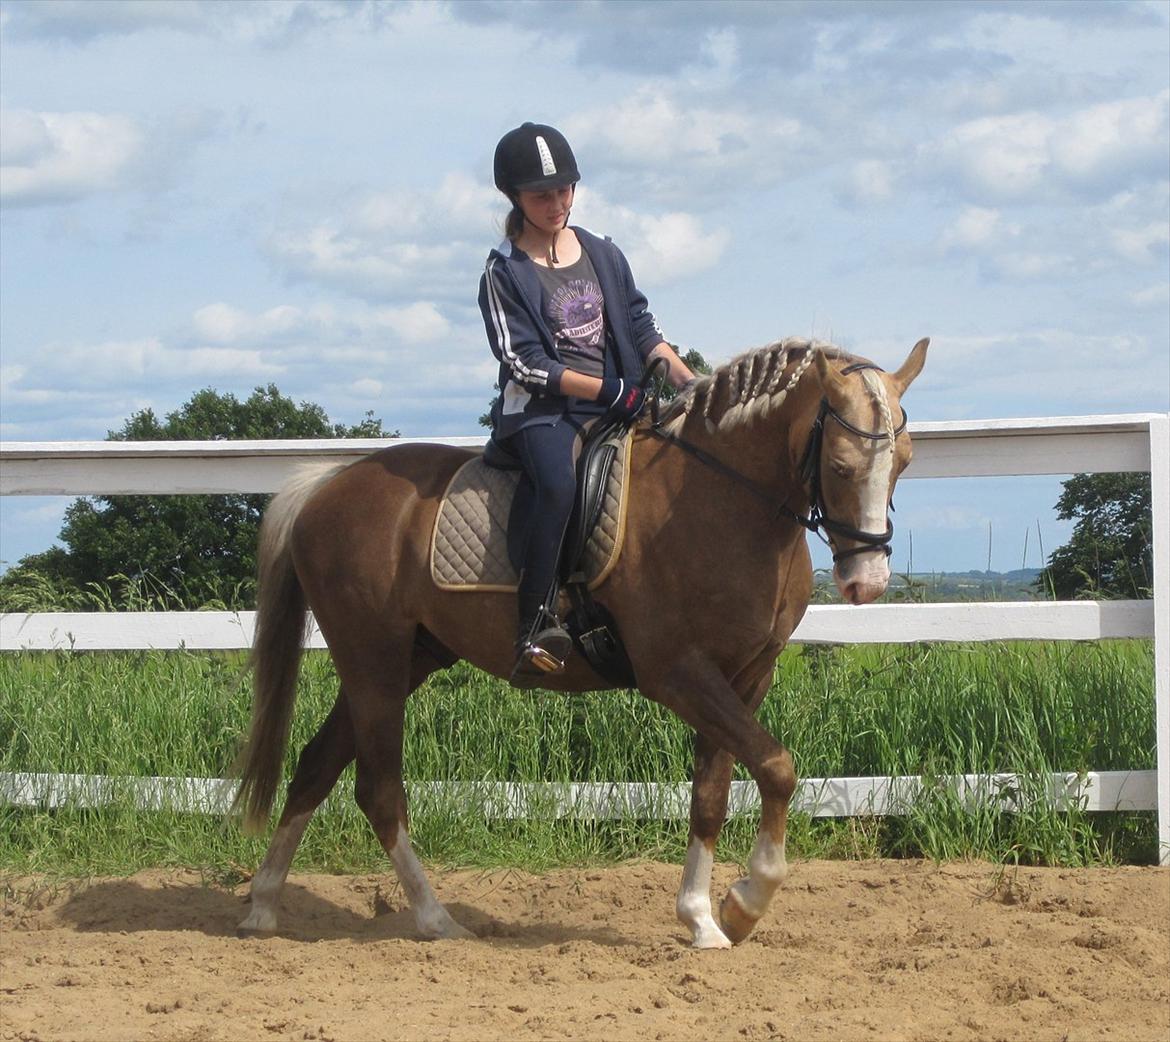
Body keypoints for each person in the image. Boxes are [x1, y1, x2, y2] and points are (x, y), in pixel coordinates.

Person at [478, 121, 694, 686]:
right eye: (541, 194)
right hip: (544, 412)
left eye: (564, 190)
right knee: (558, 483)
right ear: (514, 198)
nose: (556, 203)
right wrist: (606, 391)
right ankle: (533, 626)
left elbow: (643, 328)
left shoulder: (602, 252)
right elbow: (526, 363)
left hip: (618, 401)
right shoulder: (504, 273)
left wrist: (692, 385)